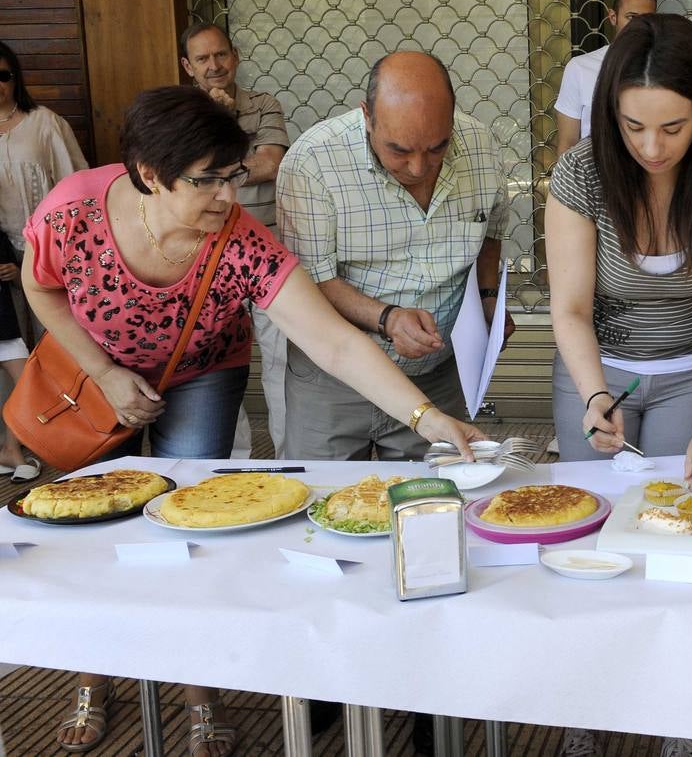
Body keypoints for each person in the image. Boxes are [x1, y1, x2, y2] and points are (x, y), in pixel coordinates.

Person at [23, 86, 485, 755]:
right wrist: (101, 372)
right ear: (149, 174)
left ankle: (199, 690)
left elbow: (333, 341)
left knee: (193, 523)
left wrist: (427, 417)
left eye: (232, 176)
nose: (227, 198)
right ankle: (93, 676)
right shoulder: (72, 214)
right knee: (98, 525)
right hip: (96, 376)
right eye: (205, 181)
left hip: (201, 373)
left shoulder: (239, 241)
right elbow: (41, 285)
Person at [545, 10, 692, 757]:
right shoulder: (579, 174)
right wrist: (596, 395)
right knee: (590, 540)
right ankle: (587, 711)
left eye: (673, 127)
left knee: (680, 544)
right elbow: (569, 309)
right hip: (596, 372)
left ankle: (677, 718)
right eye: (634, 127)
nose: (651, 146)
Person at [277, 51, 511, 461]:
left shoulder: (480, 146)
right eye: (399, 150)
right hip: (332, 382)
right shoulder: (313, 161)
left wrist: (489, 298)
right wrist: (388, 318)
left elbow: (489, 232)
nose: (419, 167)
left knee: (430, 503)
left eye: (437, 147)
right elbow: (311, 282)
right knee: (323, 502)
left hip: (437, 376)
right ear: (366, 116)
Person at [178, 21, 292, 458]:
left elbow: (269, 165)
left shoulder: (264, 105)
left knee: (282, 361)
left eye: (220, 54)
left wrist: (220, 137)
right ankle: (234, 462)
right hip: (203, 252)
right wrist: (213, 118)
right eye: (203, 59)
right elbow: (177, 173)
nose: (214, 65)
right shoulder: (180, 112)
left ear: (235, 56)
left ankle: (289, 456)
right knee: (217, 363)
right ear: (188, 66)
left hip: (266, 250)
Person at [0, 40, 88, 339]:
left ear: (15, 78)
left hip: (50, 248)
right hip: (1, 253)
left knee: (57, 334)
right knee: (11, 343)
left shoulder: (44, 122)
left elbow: (77, 183)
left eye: (3, 76)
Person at [554, 0, 659, 155]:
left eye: (646, 19)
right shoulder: (579, 69)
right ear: (613, 17)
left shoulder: (664, 68)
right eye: (631, 17)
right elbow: (567, 143)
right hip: (594, 178)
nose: (638, 26)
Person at [0, 234, 37, 481]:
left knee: (28, 385)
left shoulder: (0, 238)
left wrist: (15, 273)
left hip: (6, 330)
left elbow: (26, 279)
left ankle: (10, 450)